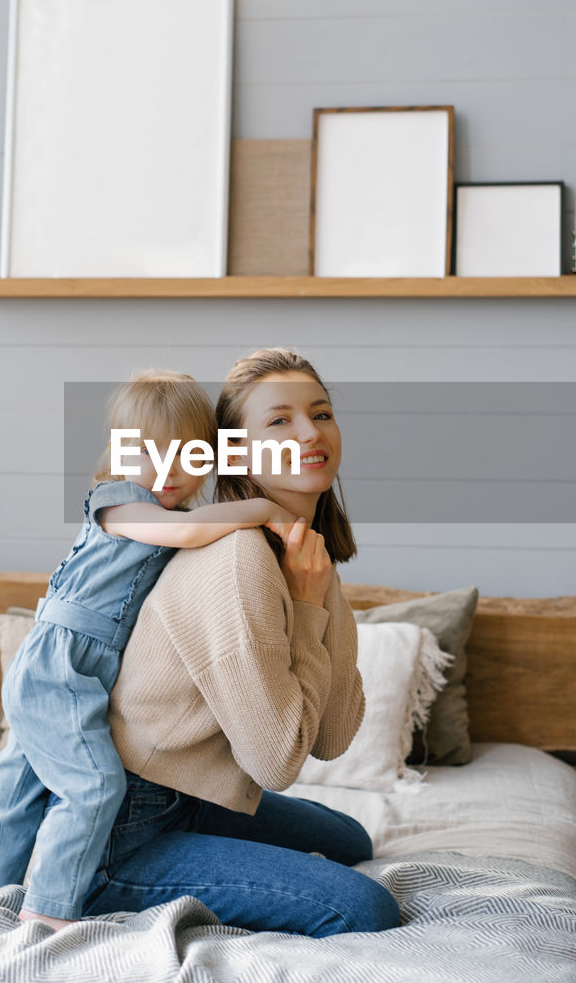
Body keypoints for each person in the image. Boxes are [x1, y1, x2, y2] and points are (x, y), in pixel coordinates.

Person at [73, 347, 400, 938]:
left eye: (321, 413)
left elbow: (331, 737)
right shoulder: (239, 557)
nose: (310, 432)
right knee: (365, 908)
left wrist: (318, 594)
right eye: (280, 420)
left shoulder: (303, 553)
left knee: (351, 840)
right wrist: (304, 608)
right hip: (121, 826)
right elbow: (278, 763)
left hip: (193, 793)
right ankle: (105, 885)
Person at [0, 369, 297, 930]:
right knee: (93, 785)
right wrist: (267, 510)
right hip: (59, 666)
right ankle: (47, 912)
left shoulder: (168, 519)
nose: (167, 471)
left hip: (75, 672)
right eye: (147, 452)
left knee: (19, 789)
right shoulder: (117, 502)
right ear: (118, 452)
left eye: (189, 456)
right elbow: (191, 533)